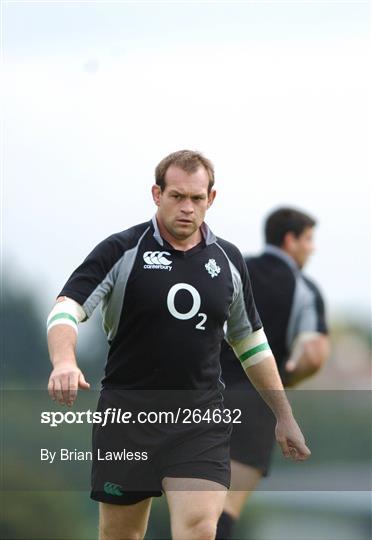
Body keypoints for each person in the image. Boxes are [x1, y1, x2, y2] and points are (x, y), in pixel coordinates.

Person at [47, 152, 310, 540]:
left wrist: (283, 416)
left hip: (199, 420)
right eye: (176, 196)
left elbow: (251, 343)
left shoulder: (228, 261)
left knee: (202, 529)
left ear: (211, 198)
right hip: (128, 420)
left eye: (197, 198)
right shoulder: (121, 250)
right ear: (157, 194)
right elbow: (65, 311)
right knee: (122, 535)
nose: (187, 208)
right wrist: (64, 361)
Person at [217, 207, 329, 540]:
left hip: (202, 396)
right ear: (290, 239)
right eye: (308, 239)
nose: (312, 248)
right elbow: (313, 354)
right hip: (255, 404)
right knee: (223, 510)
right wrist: (289, 377)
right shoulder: (304, 289)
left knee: (191, 506)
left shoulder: (233, 269)